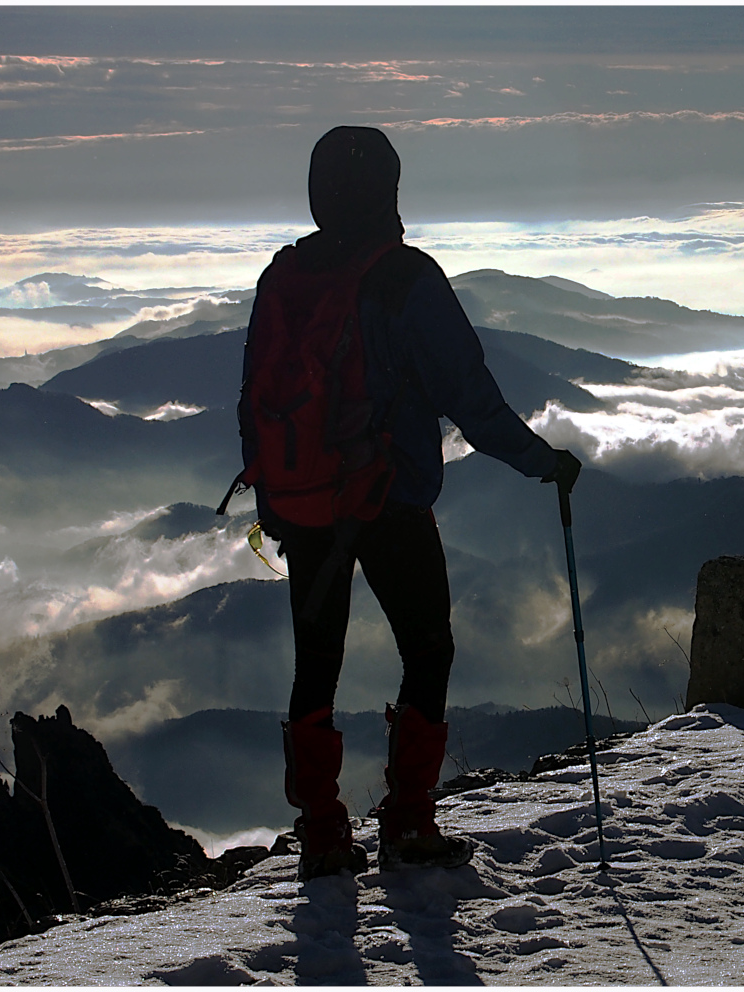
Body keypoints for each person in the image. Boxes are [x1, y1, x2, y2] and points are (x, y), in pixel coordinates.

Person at [240, 125, 582, 878]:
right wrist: (544, 462)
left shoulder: (287, 278)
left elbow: (254, 398)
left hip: (302, 503)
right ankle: (407, 821)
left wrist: (275, 497)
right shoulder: (405, 279)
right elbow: (472, 400)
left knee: (315, 663)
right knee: (428, 650)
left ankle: (323, 834)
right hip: (389, 500)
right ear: (389, 191)